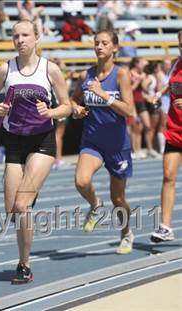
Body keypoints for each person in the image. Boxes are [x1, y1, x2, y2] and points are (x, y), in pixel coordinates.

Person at [0, 19, 72, 284]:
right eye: (15, 36)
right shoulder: (5, 69)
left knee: (22, 205)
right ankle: (28, 198)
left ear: (37, 37)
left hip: (42, 141)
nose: (20, 40)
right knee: (12, 208)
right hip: (14, 142)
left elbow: (67, 105)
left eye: (24, 35)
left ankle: (24, 265)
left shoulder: (50, 69)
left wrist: (51, 112)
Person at [72, 31, 135, 254]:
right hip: (93, 142)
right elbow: (74, 100)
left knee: (117, 198)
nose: (99, 46)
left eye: (104, 43)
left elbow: (129, 110)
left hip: (117, 146)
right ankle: (95, 205)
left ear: (115, 48)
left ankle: (126, 233)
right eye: (96, 43)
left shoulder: (121, 75)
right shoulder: (85, 75)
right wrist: (76, 109)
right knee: (81, 180)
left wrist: (104, 95)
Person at [150, 30, 182, 243]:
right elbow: (170, 84)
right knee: (168, 176)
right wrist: (158, 95)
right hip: (175, 129)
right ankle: (165, 226)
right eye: (181, 43)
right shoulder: (177, 63)